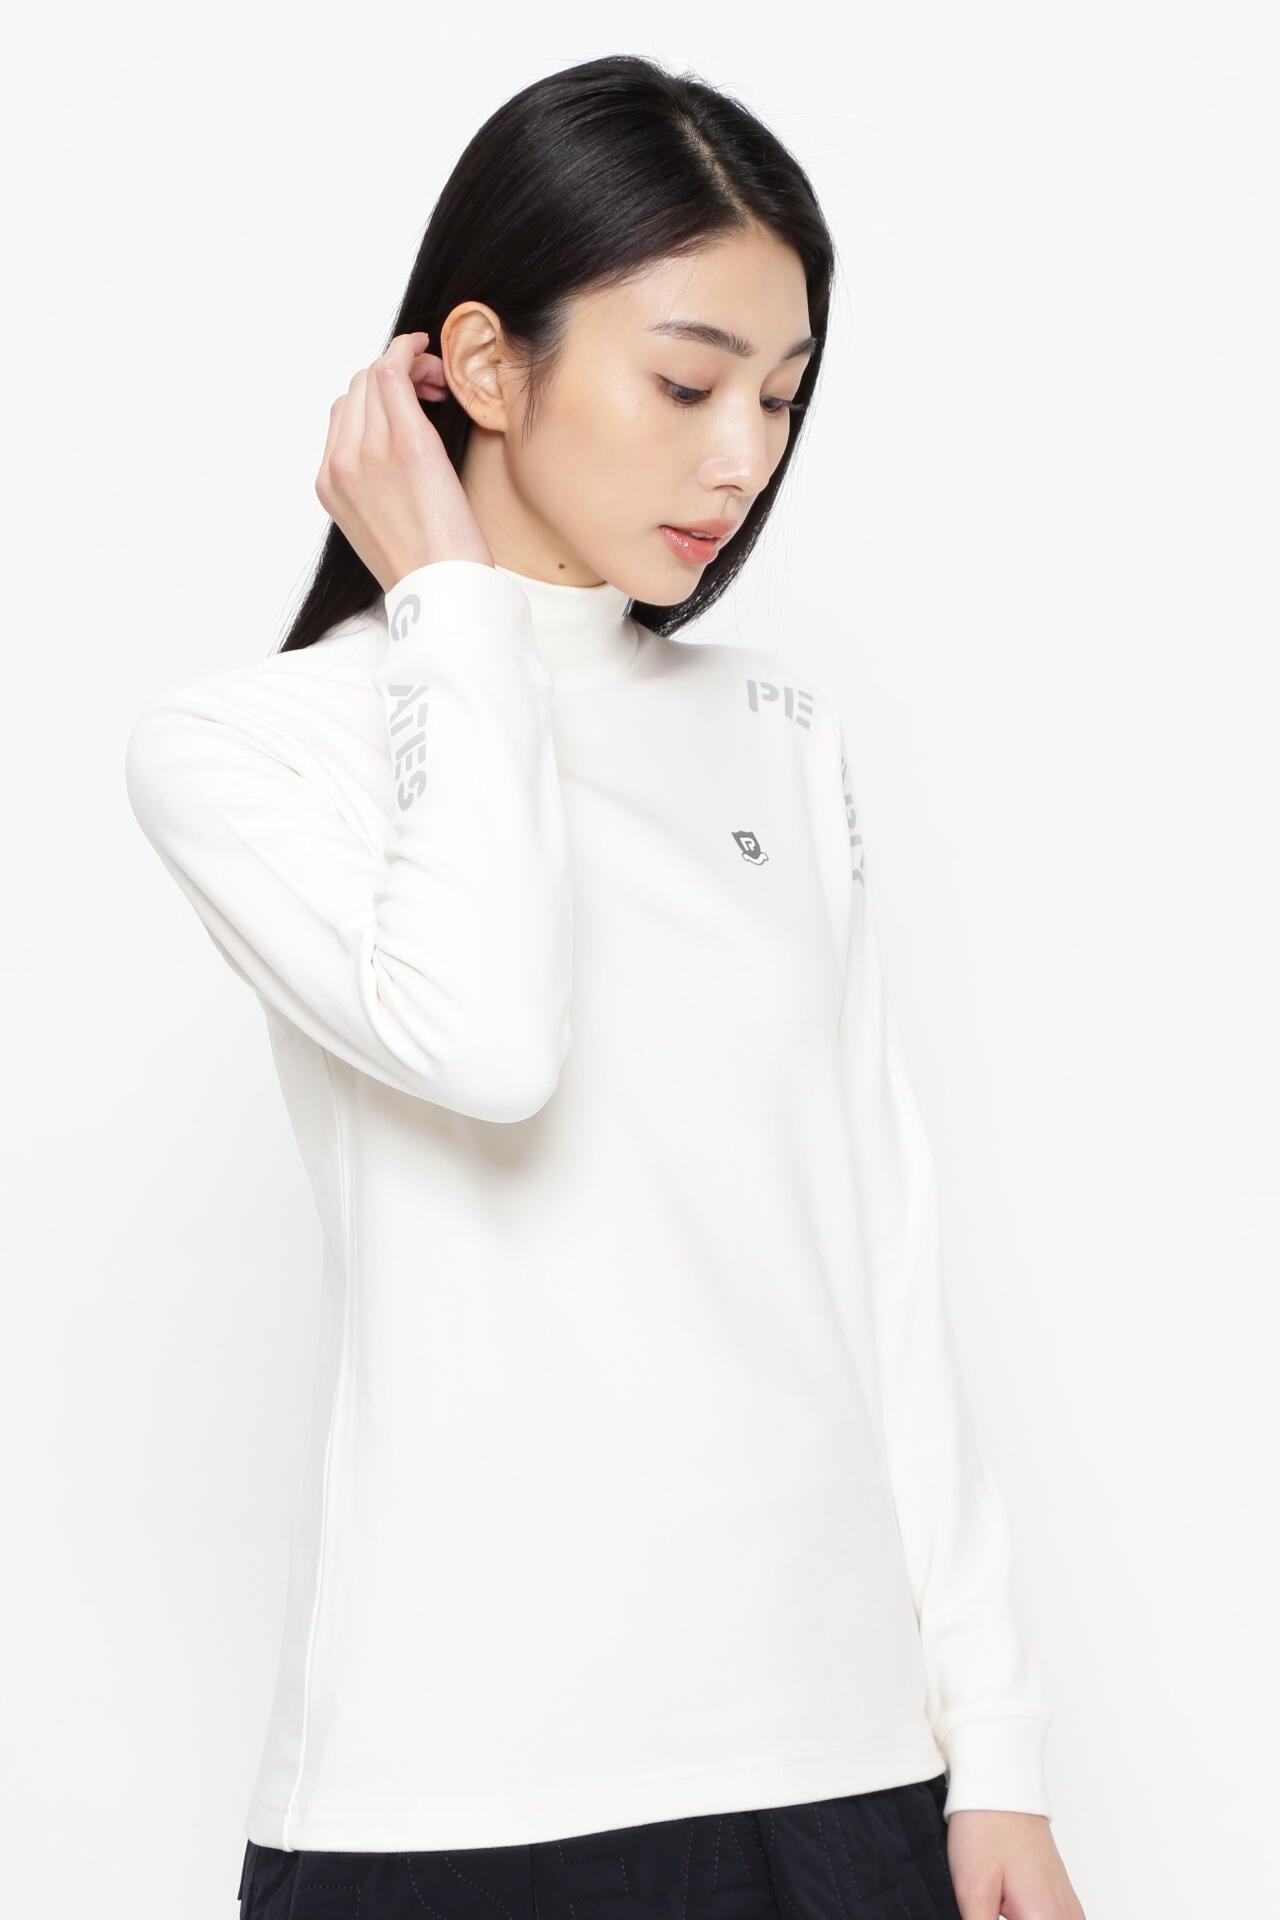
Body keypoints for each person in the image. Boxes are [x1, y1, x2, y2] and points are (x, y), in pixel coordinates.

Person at [124, 53, 1086, 1920]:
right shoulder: (251, 749)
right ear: (483, 367)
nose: (746, 458)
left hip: (840, 1770)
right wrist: (452, 607)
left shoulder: (777, 733)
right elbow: (490, 1043)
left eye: (783, 396)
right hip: (448, 1789)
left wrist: (1001, 1751)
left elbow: (877, 1250)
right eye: (688, 382)